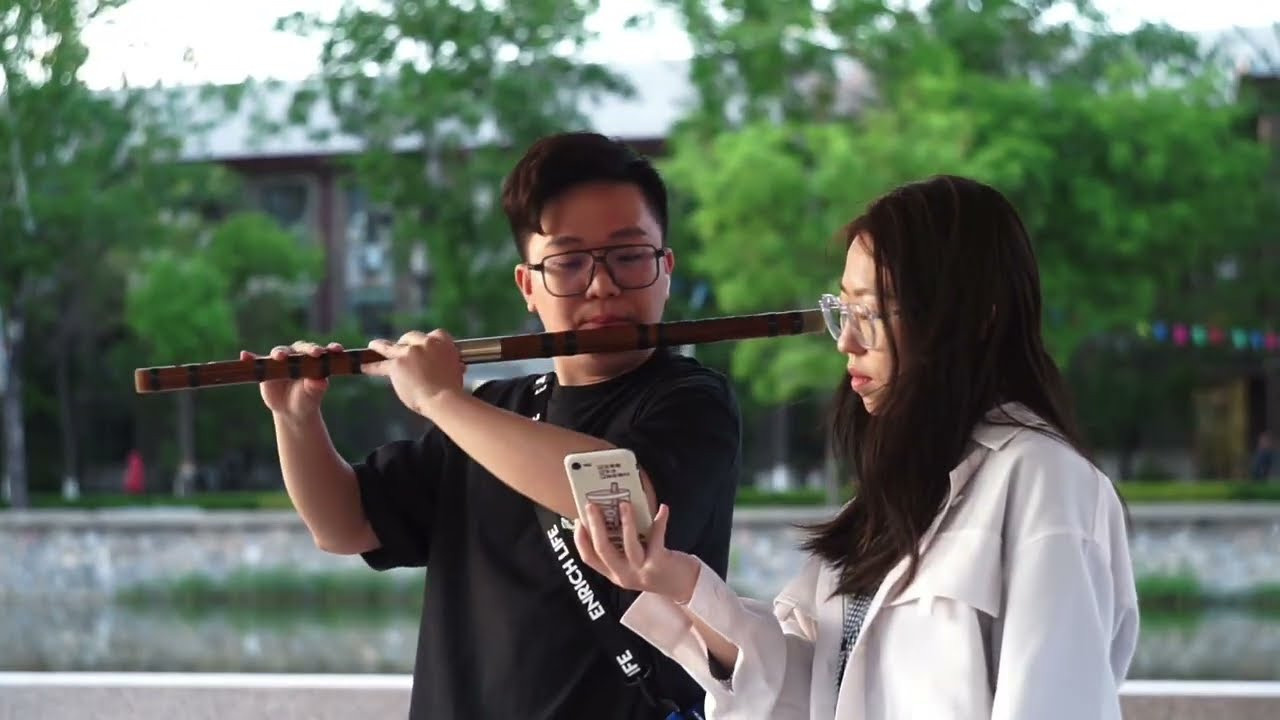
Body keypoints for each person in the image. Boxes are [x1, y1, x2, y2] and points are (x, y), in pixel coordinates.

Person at [574, 175, 1140, 719]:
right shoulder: (886, 498)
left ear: (976, 320)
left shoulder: (1045, 483)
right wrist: (675, 581)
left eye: (872, 310)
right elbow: (809, 692)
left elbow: (1053, 701)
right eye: (844, 308)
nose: (846, 339)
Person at [245, 132, 742, 719]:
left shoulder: (691, 399)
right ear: (529, 286)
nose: (602, 285)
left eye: (629, 256)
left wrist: (442, 400)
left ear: (665, 270)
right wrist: (296, 420)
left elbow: (623, 499)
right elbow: (345, 525)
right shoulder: (492, 410)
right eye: (569, 262)